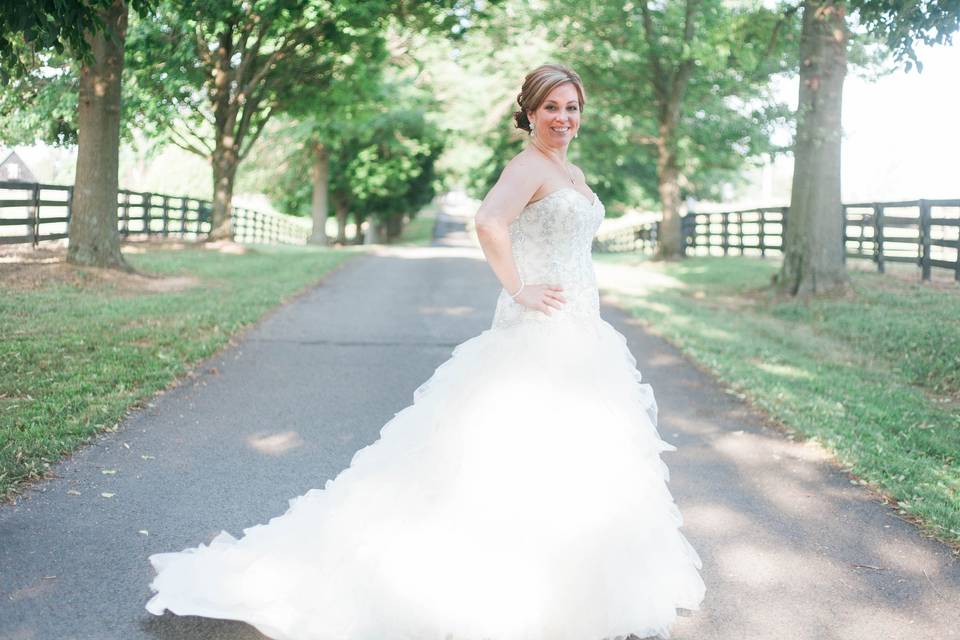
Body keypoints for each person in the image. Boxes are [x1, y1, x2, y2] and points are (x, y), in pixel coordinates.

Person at [145, 63, 706, 640]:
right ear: (530, 113)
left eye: (572, 108)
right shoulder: (527, 165)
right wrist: (519, 288)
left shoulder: (570, 168)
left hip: (581, 331)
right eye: (552, 108)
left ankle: (573, 591)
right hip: (539, 331)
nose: (563, 118)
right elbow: (489, 223)